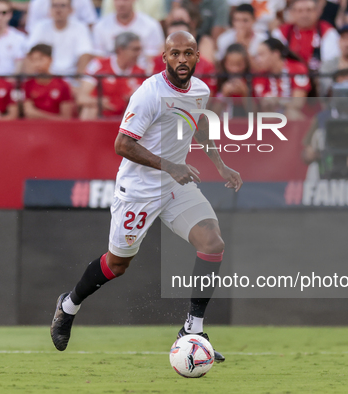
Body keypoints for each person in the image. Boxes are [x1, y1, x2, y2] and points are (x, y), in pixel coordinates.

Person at [50, 31, 243, 363]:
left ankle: (193, 329)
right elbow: (122, 145)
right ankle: (68, 305)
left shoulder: (201, 90)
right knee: (118, 264)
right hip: (139, 190)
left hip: (175, 185)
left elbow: (196, 125)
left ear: (198, 57)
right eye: (174, 54)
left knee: (212, 243)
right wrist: (169, 165)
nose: (181, 59)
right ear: (164, 58)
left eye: (188, 53)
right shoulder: (149, 94)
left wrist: (220, 164)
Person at [78, 32, 145, 120]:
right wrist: (99, 102)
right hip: (100, 115)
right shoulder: (98, 65)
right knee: (90, 108)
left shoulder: (141, 72)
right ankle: (86, 132)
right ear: (120, 50)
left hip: (126, 119)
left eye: (140, 49)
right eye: (135, 50)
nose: (139, 53)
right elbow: (81, 98)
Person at [27, 0, 94, 77]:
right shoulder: (40, 27)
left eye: (62, 6)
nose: (58, 10)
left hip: (71, 76)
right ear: (49, 9)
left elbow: (85, 54)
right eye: (54, 6)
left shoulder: (80, 28)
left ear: (71, 10)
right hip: (45, 76)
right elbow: (29, 53)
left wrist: (78, 79)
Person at [272, 0, 340, 71]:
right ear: (292, 13)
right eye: (300, 11)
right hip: (289, 76)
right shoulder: (282, 32)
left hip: (318, 77)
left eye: (309, 10)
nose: (304, 15)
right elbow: (275, 61)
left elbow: (330, 63)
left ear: (317, 12)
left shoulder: (328, 31)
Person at [92, 0, 164, 66]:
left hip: (142, 74)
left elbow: (153, 60)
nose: (121, 4)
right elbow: (99, 59)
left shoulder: (151, 25)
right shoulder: (100, 26)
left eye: (125, 0)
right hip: (110, 75)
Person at [252, 38, 310, 119]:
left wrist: (278, 100)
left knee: (292, 114)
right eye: (257, 55)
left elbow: (298, 103)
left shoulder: (297, 68)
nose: (258, 60)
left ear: (276, 54)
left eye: (261, 55)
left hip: (299, 118)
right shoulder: (259, 75)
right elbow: (260, 106)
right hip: (272, 118)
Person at [22, 44, 74, 119]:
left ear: (50, 59)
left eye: (41, 59)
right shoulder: (28, 84)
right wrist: (55, 118)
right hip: (35, 128)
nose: (37, 64)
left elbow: (66, 117)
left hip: (57, 128)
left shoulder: (63, 85)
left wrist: (38, 115)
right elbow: (29, 112)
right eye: (33, 60)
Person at [25, 0, 98, 33]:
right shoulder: (37, 2)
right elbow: (31, 29)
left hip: (75, 40)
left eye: (62, 6)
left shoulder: (83, 1)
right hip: (46, 44)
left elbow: (91, 23)